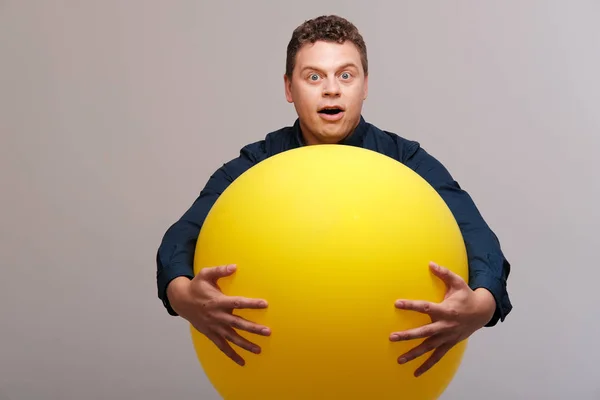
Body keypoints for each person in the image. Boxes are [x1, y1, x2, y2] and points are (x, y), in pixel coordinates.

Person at [156, 14, 512, 378]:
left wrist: (480, 305)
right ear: (289, 89)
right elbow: (180, 238)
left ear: (365, 85)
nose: (331, 89)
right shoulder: (255, 165)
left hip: (384, 373)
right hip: (279, 372)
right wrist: (184, 298)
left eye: (346, 75)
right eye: (314, 76)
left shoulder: (407, 162)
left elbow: (480, 239)